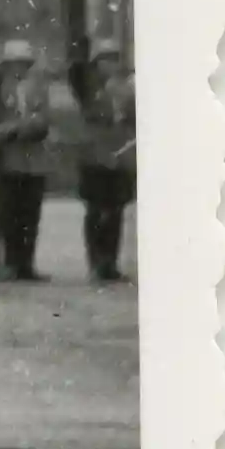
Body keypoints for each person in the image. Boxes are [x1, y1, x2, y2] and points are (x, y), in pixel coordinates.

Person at [0, 40, 52, 281]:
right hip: (8, 161)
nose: (20, 68)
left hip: (33, 161)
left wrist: (21, 127)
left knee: (30, 215)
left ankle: (25, 263)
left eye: (24, 63)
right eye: (15, 63)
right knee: (7, 214)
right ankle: (5, 261)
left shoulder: (37, 88)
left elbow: (44, 118)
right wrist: (17, 127)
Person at [78, 40, 136, 282]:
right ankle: (96, 261)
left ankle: (110, 261)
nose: (111, 64)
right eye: (105, 59)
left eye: (114, 58)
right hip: (94, 156)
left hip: (120, 154)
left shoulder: (126, 88)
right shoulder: (89, 88)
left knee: (116, 211)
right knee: (96, 211)